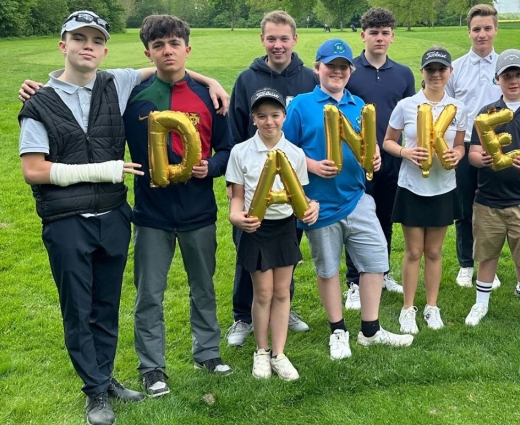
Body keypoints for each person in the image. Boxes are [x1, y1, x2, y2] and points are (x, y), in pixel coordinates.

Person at [17, 10, 149, 425]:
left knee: (106, 305)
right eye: (79, 38)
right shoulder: (39, 102)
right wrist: (103, 170)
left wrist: (211, 81)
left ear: (104, 50)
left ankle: (104, 376)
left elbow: (167, 65)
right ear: (64, 46)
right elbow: (33, 170)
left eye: (95, 40)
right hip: (67, 222)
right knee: (78, 308)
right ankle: (94, 393)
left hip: (112, 216)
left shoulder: (117, 81)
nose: (87, 45)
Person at [123, 14, 234, 397]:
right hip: (151, 212)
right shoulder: (132, 96)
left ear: (187, 48)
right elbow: (81, 81)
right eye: (159, 45)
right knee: (148, 293)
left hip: (198, 210)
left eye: (174, 44)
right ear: (148, 52)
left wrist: (211, 167)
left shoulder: (209, 97)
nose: (167, 51)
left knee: (203, 287)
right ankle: (152, 367)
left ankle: (207, 352)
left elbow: (228, 149)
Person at [283, 38, 414, 360]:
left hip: (357, 198)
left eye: (343, 68)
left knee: (375, 262)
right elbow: (282, 151)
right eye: (330, 67)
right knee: (328, 270)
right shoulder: (301, 105)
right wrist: (311, 165)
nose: (337, 73)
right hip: (318, 203)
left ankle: (370, 330)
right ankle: (338, 330)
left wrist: (375, 159)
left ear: (350, 71)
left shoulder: (357, 105)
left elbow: (368, 148)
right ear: (318, 69)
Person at [225, 10, 317, 348]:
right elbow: (235, 132)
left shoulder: (309, 78)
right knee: (248, 249)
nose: (277, 45)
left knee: (286, 250)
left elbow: (314, 128)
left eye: (283, 38)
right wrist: (237, 185)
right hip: (252, 185)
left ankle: (285, 306)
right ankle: (243, 315)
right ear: (263, 40)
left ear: (295, 39)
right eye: (271, 38)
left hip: (291, 182)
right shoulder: (247, 79)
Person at [226, 88, 319, 380]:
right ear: (254, 118)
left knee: (282, 291)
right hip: (256, 228)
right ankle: (261, 352)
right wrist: (234, 215)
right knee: (263, 292)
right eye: (262, 116)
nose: (269, 122)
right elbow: (237, 196)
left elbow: (301, 196)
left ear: (284, 117)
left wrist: (311, 207)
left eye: (275, 115)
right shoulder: (241, 152)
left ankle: (279, 353)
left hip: (285, 227)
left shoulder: (295, 153)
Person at [464, 49, 520, 332]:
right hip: (489, 198)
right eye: (507, 76)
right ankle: (481, 303)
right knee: (486, 254)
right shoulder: (486, 113)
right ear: (498, 79)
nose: (512, 80)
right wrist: (480, 158)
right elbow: (473, 153)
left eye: (517, 74)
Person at [383, 47, 466, 333]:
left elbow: (459, 145)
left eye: (441, 69)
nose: (436, 74)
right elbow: (388, 141)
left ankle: (432, 306)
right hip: (412, 186)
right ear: (422, 72)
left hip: (443, 186)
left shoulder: (458, 108)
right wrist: (406, 152)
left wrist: (458, 154)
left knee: (434, 251)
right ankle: (408, 308)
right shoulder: (407, 105)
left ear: (449, 72)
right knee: (414, 251)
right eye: (430, 69)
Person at [343, 7, 415, 309]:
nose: (379, 38)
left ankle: (382, 271)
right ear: (363, 36)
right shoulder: (349, 71)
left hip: (391, 159)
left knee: (384, 217)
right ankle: (354, 281)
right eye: (374, 33)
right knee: (356, 218)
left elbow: (410, 116)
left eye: (385, 33)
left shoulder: (402, 74)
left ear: (392, 37)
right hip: (357, 159)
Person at [445, 4, 502, 289]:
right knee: (465, 207)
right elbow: (448, 109)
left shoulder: (505, 65)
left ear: (496, 29)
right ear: (469, 32)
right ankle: (466, 263)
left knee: (493, 208)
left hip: (498, 146)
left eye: (487, 28)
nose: (482, 34)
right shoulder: (456, 68)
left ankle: (489, 263)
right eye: (476, 29)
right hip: (466, 145)